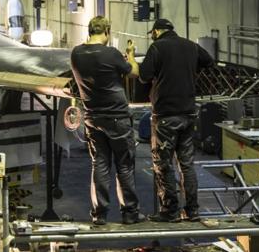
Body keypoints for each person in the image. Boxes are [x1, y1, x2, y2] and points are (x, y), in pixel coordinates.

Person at [139, 19, 215, 223]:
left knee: (163, 164)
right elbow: (210, 62)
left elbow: (144, 76)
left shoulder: (157, 47)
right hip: (189, 114)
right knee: (187, 164)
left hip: (165, 115)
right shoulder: (191, 45)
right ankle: (192, 211)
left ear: (156, 31)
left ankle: (170, 211)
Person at [70, 16, 144, 225]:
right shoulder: (111, 54)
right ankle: (130, 213)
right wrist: (130, 55)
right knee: (124, 166)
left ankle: (99, 215)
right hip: (117, 117)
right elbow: (134, 73)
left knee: (100, 165)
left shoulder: (76, 54)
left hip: (93, 118)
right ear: (107, 32)